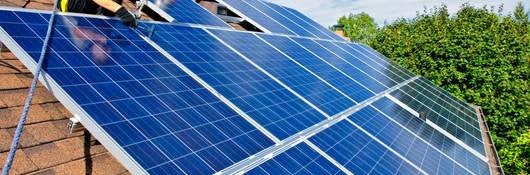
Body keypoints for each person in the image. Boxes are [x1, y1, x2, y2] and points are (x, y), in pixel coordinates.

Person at [58, 0, 138, 28]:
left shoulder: (86, 45)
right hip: (72, 4)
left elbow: (77, 31)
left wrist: (121, 11)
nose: (107, 50)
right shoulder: (106, 37)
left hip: (74, 7)